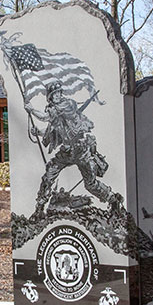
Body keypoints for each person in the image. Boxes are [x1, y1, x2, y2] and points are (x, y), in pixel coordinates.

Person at [29, 82, 122, 216]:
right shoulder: (55, 113)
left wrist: (31, 110)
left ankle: (113, 200)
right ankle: (39, 207)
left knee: (90, 184)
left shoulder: (67, 105)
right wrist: (38, 132)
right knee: (49, 175)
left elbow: (45, 117)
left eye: (59, 93)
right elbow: (54, 131)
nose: (57, 96)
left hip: (80, 150)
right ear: (50, 97)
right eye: (54, 94)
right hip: (66, 152)